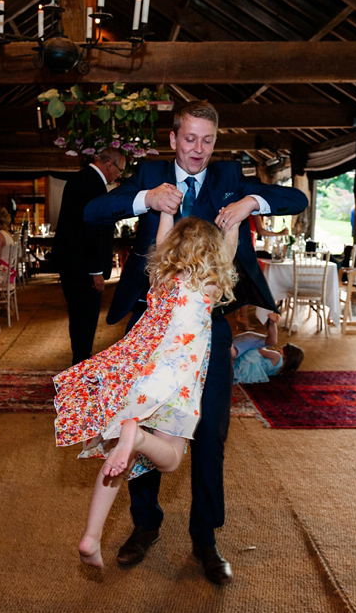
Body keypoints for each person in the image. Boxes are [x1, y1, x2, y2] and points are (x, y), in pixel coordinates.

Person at [82, 100, 309, 585]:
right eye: (190, 139)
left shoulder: (230, 175)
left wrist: (251, 203)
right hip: (149, 327)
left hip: (210, 327)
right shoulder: (150, 173)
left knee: (210, 434)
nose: (199, 150)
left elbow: (297, 201)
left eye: (207, 140)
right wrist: (146, 200)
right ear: (173, 139)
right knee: (139, 421)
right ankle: (145, 525)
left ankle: (205, 538)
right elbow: (91, 211)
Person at [54, 213, 239, 568]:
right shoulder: (209, 287)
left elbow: (159, 243)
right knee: (171, 458)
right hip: (176, 385)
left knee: (116, 466)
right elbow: (227, 255)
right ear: (212, 255)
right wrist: (231, 227)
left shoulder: (160, 279)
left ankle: (91, 536)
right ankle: (136, 439)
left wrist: (167, 214)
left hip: (143, 380)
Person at [51, 148, 125, 364]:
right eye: (120, 170)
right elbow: (91, 229)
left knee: (78, 316)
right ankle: (82, 361)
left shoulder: (79, 179)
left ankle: (81, 358)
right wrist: (96, 270)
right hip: (82, 265)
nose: (119, 175)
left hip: (72, 262)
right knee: (86, 316)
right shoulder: (93, 184)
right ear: (109, 164)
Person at [231, 313, 305, 384]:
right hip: (248, 370)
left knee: (269, 342)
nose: (280, 348)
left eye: (284, 348)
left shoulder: (277, 356)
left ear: (287, 354)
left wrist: (259, 345)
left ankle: (272, 323)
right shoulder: (279, 371)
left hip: (249, 362)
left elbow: (260, 351)